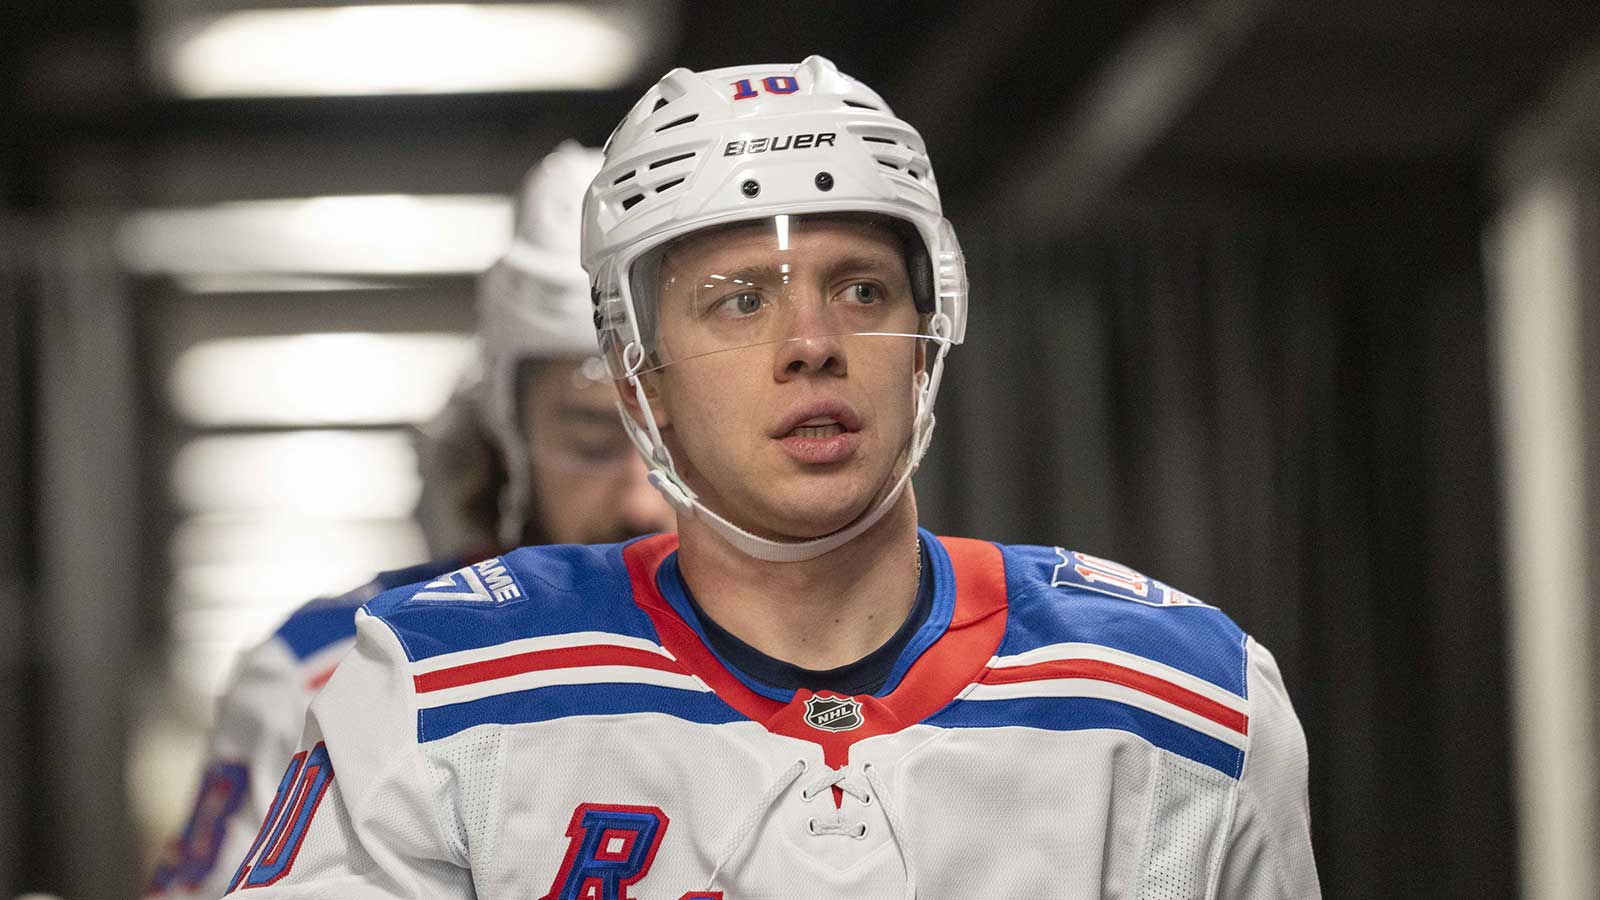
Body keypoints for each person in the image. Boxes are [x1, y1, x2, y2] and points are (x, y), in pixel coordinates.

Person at [224, 57, 1320, 898]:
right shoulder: (429, 691)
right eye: (740, 299)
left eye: (859, 290)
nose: (810, 343)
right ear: (636, 374)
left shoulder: (1185, 702)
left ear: (932, 329)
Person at [142, 143, 673, 899]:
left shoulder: (852, 679)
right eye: (590, 435)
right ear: (506, 433)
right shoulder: (326, 674)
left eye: (678, 435)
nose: (641, 499)